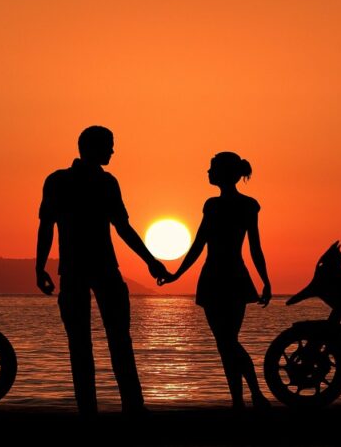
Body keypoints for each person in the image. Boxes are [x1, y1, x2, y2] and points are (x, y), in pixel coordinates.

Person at [35, 125, 170, 415]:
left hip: (80, 270)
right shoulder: (100, 183)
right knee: (115, 339)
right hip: (96, 269)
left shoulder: (62, 181)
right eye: (109, 145)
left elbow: (47, 226)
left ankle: (94, 408)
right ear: (93, 147)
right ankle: (130, 407)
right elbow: (121, 227)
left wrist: (40, 268)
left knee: (85, 342)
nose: (113, 151)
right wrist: (150, 261)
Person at [160, 151, 272, 410]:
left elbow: (254, 247)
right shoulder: (215, 204)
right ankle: (240, 400)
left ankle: (253, 394)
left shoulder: (243, 205)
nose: (208, 172)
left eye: (212, 168)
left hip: (227, 278)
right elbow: (199, 244)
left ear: (225, 173)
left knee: (227, 341)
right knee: (225, 342)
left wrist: (265, 280)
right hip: (219, 278)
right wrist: (177, 274)